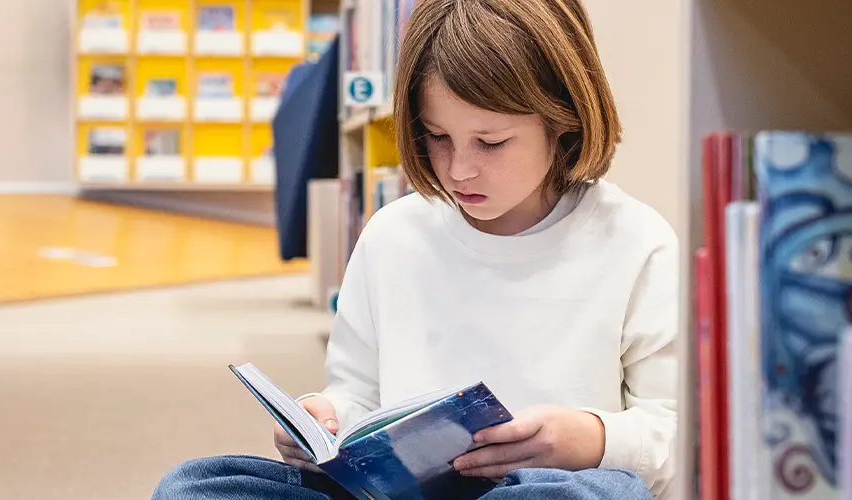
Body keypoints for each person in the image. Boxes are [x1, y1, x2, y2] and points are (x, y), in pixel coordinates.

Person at [152, 0, 677, 497]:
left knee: (597, 494)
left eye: (490, 142)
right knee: (197, 485)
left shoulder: (634, 241)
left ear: (563, 118)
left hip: (544, 487)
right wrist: (323, 417)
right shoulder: (393, 235)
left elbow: (675, 433)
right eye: (436, 136)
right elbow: (357, 395)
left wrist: (590, 439)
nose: (458, 169)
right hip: (399, 491)